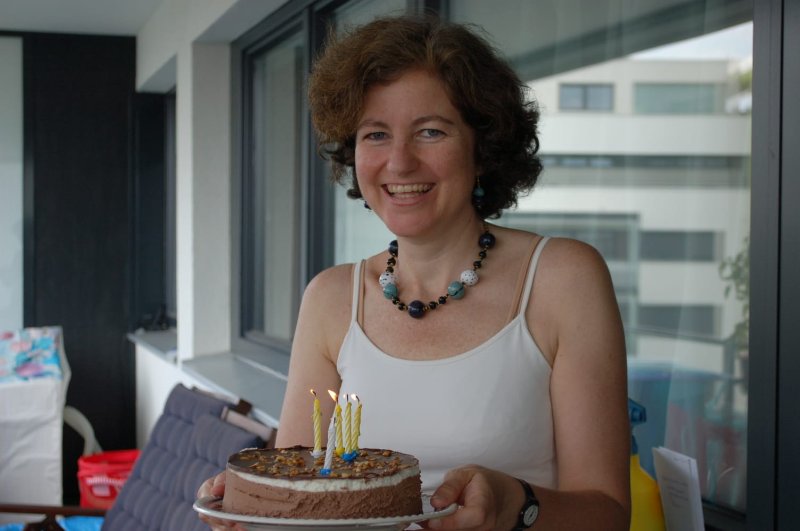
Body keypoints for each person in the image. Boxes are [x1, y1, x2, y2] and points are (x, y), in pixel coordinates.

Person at [199, 14, 630, 531]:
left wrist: (516, 504)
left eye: (430, 131)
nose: (400, 162)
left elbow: (609, 515)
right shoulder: (330, 298)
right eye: (376, 134)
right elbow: (299, 502)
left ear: (482, 148)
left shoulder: (563, 279)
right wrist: (254, 513)